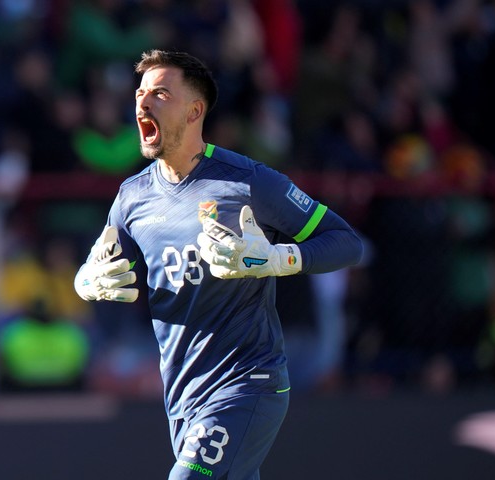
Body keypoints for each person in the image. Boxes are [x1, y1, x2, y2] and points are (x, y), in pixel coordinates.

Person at [74, 49, 363, 479]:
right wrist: (86, 281)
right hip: (183, 397)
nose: (142, 102)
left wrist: (277, 259)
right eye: (140, 93)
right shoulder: (131, 197)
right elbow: (97, 266)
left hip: (249, 382)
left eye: (160, 93)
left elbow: (346, 243)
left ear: (194, 111)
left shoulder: (248, 181)